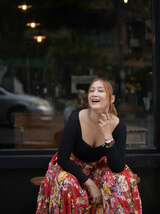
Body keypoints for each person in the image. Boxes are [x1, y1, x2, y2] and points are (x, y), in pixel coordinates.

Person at [36, 78, 142, 213]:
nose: (94, 94)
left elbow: (118, 167)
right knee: (65, 182)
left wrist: (108, 136)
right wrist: (90, 184)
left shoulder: (119, 126)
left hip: (100, 169)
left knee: (120, 180)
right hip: (74, 168)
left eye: (100, 90)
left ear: (111, 99)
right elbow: (63, 159)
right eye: (91, 91)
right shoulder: (76, 119)